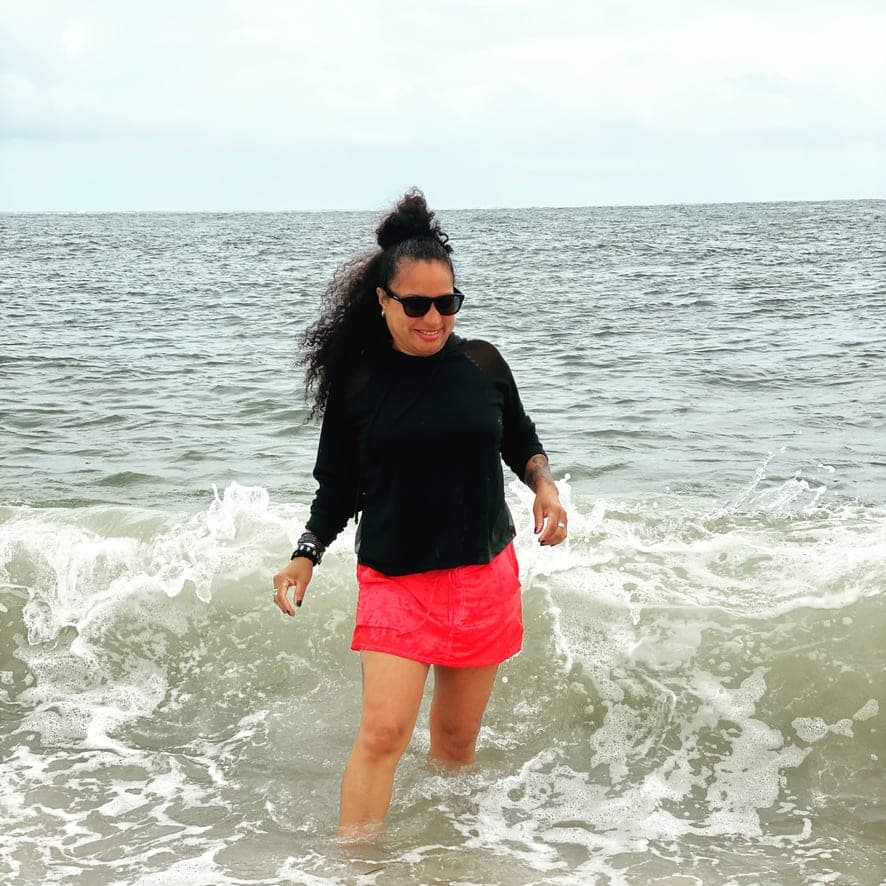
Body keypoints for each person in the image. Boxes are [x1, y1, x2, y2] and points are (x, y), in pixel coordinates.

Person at [272, 188, 567, 838]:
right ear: (383, 301)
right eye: (417, 305)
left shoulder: (481, 364)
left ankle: (447, 864)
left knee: (457, 744)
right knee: (382, 734)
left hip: (483, 578)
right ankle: (358, 871)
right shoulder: (358, 386)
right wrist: (306, 552)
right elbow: (339, 487)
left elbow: (519, 438)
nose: (434, 318)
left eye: (447, 303)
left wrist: (543, 485)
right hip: (398, 582)